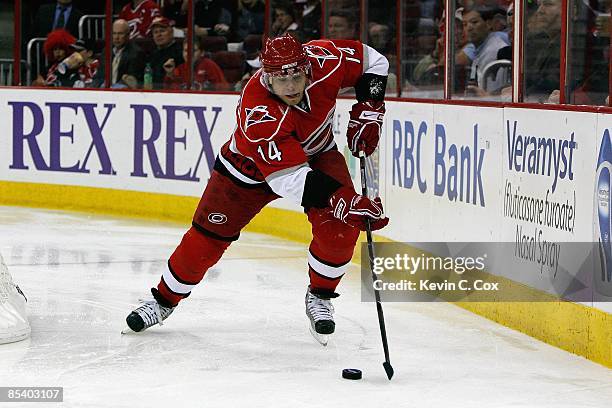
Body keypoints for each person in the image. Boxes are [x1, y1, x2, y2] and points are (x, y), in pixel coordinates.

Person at [125, 34, 390, 342]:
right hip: (247, 172)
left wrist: (370, 108)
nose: (290, 86)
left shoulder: (326, 60)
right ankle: (163, 300)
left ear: (307, 66)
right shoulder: (259, 111)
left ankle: (320, 296)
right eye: (281, 78)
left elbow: (374, 60)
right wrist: (344, 200)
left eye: (296, 75)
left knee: (341, 230)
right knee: (206, 241)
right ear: (266, 76)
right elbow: (289, 181)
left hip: (318, 153)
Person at [163, 36, 229, 91]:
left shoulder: (209, 65)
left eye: (193, 50)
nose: (189, 54)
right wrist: (170, 74)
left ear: (202, 53)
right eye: (186, 51)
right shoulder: (179, 69)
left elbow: (224, 89)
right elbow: (169, 93)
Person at [147, 16, 185, 89]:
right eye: (155, 32)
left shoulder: (180, 53)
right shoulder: (152, 54)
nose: (159, 35)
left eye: (162, 31)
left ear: (171, 32)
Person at [109, 19, 145, 88]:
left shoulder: (136, 53)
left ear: (128, 35)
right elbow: (100, 76)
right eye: (114, 33)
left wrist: (113, 88)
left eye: (120, 33)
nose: (116, 37)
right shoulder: (106, 51)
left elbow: (132, 80)